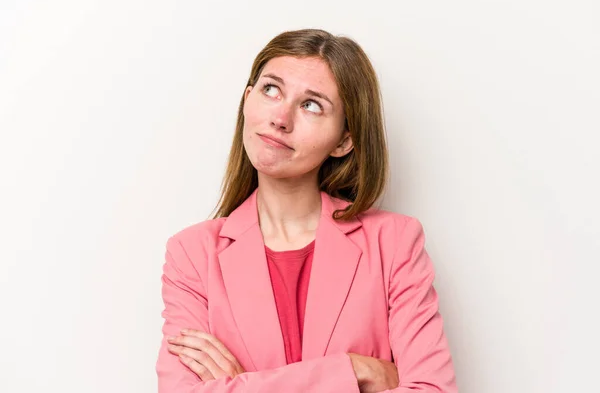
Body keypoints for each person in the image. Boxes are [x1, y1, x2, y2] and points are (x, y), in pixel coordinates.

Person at [156, 28, 457, 392]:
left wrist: (239, 385)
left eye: (311, 104)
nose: (281, 118)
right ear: (247, 100)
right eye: (271, 89)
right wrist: (350, 372)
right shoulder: (192, 254)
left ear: (344, 139)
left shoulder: (393, 243)